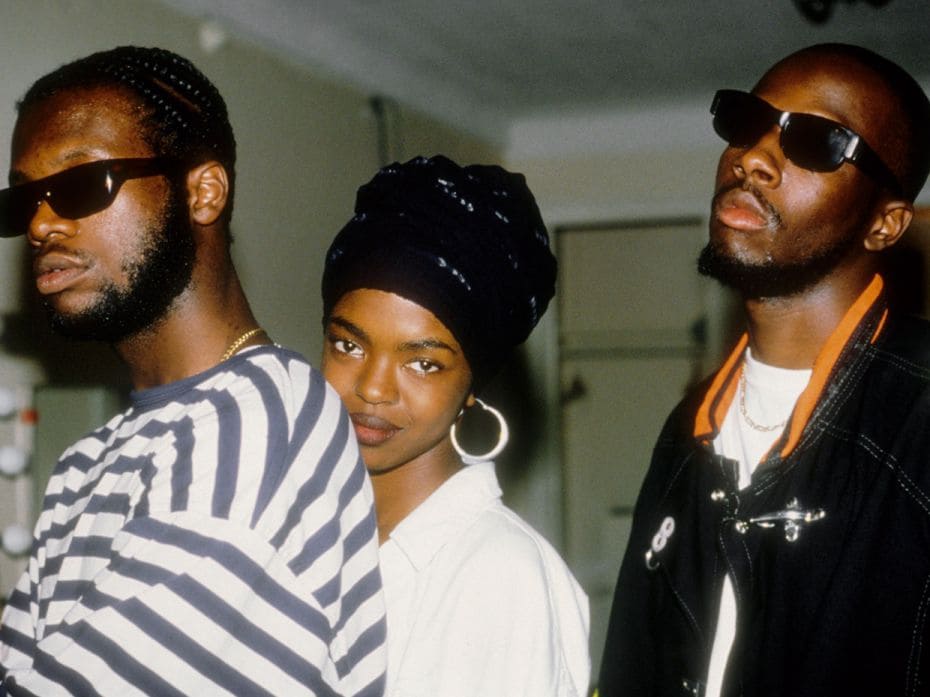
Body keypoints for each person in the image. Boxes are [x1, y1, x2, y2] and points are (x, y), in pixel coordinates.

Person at [0, 46, 386, 696]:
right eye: (22, 202)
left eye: (77, 186)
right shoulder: (87, 462)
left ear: (203, 191)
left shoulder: (266, 417)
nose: (40, 223)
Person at [597, 43, 930, 696]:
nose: (753, 157)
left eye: (816, 141)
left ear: (886, 225)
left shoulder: (919, 418)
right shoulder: (688, 431)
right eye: (750, 122)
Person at [319, 155, 590, 696]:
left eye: (422, 362)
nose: (373, 388)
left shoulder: (501, 573)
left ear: (472, 387)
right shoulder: (300, 535)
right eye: (348, 345)